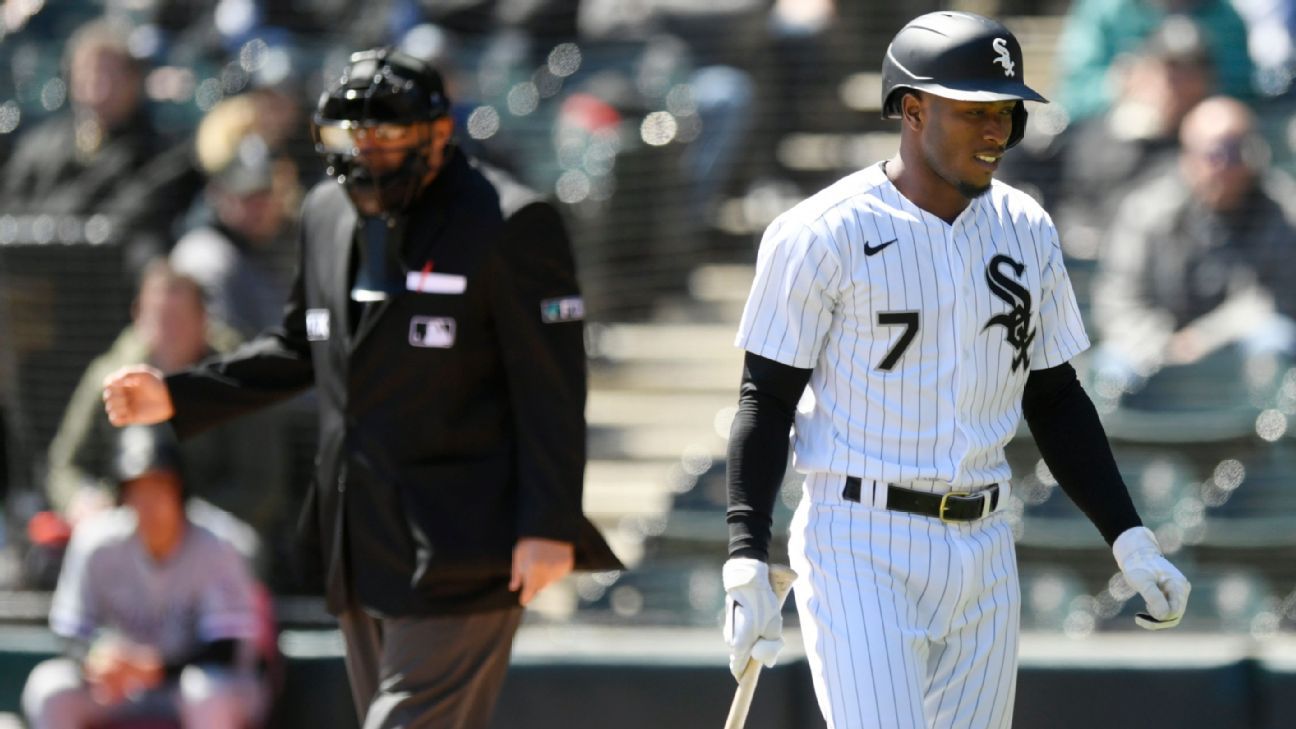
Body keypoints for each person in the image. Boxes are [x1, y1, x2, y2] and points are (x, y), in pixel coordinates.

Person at [102, 48, 622, 729]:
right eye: (352, 134)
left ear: (438, 134)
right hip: (360, 538)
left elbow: (553, 389)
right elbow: (301, 346)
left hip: (468, 540)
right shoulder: (325, 212)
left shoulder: (510, 222)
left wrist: (548, 524)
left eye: (388, 134)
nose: (367, 150)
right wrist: (181, 394)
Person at [720, 12, 1191, 729]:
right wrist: (744, 553)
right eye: (974, 109)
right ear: (912, 109)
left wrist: (1129, 536)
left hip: (986, 540)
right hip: (860, 540)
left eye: (1005, 109)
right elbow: (767, 398)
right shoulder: (821, 231)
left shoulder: (1026, 228)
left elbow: (1056, 399)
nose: (996, 129)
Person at [22, 426, 270, 729]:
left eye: (160, 487)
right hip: (123, 687)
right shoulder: (95, 543)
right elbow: (69, 630)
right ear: (123, 496)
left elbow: (225, 651)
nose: (149, 502)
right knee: (49, 687)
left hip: (199, 684)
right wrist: (96, 657)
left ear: (181, 490)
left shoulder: (220, 544)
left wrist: (154, 669)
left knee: (206, 690)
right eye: (138, 490)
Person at [44, 260, 283, 555]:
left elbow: (260, 486)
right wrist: (81, 500)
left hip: (213, 535)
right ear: (137, 316)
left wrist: (181, 520)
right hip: (127, 528)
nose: (168, 332)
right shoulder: (112, 376)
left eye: (178, 319)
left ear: (203, 320)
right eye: (159, 318)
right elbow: (65, 464)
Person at [1091, 96, 1296, 382]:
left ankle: (1265, 428)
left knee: (1274, 340)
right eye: (1215, 153)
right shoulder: (1146, 210)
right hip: (1156, 345)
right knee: (1111, 367)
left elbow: (1276, 299)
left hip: (1238, 341)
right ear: (1188, 156)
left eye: (1238, 151)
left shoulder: (1282, 208)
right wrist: (1163, 344)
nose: (1226, 165)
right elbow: (1118, 301)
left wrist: (1202, 338)